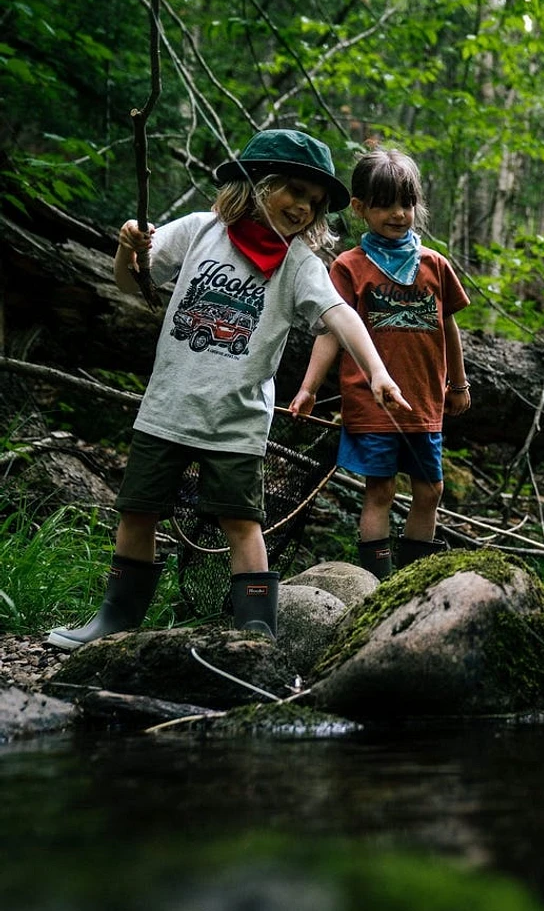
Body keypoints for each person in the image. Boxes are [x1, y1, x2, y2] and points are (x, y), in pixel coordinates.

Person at [48, 129, 410, 650]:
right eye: (294, 192)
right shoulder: (200, 231)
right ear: (257, 184)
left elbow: (341, 316)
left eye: (314, 203)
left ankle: (255, 634)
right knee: (138, 511)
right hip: (167, 408)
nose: (304, 209)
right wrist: (128, 249)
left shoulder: (299, 266)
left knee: (242, 522)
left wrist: (376, 371)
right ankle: (114, 621)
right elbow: (133, 284)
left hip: (235, 423)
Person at [290, 147, 471, 578]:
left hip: (424, 401)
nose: (399, 214)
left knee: (431, 489)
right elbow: (332, 332)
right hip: (370, 404)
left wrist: (459, 384)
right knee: (381, 490)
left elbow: (448, 327)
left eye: (407, 204)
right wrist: (309, 387)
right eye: (385, 204)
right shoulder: (349, 267)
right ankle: (375, 581)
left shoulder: (434, 265)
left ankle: (411, 578)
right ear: (359, 208)